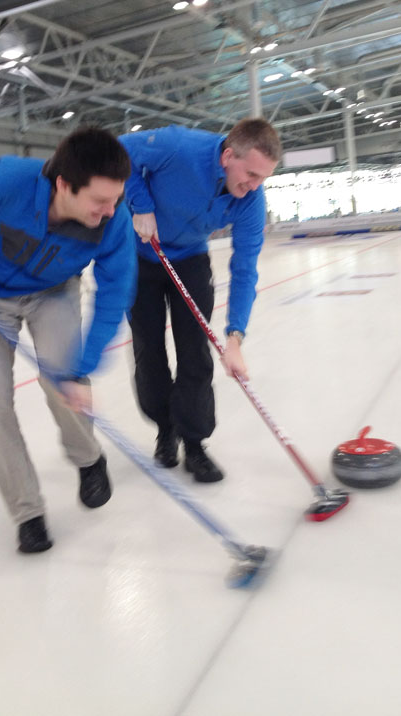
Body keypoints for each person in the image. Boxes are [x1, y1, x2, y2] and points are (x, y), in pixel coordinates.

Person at [0, 127, 135, 554]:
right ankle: (27, 512)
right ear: (64, 185)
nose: (110, 210)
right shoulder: (6, 181)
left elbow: (115, 291)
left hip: (54, 293)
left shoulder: (113, 222)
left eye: (115, 199)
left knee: (63, 384)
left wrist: (83, 370)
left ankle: (88, 458)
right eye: (99, 201)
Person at [119, 118, 282, 483]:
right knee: (149, 351)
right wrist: (139, 203)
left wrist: (236, 336)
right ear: (228, 156)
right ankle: (166, 429)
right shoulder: (179, 146)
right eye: (251, 174)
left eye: (263, 179)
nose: (255, 186)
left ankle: (194, 443)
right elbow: (117, 151)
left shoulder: (251, 201)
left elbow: (244, 269)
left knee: (195, 352)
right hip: (141, 255)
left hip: (190, 260)